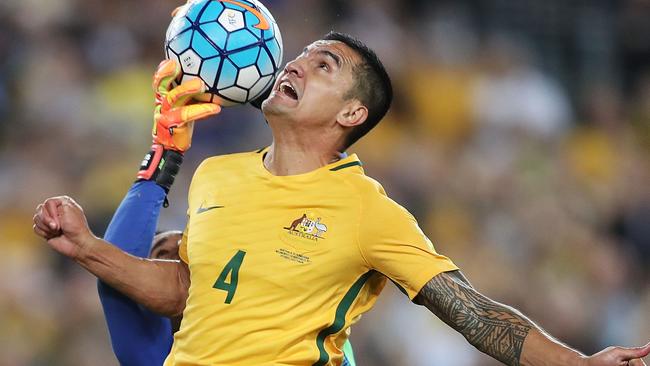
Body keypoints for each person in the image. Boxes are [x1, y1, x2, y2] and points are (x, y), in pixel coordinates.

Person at [33, 32, 649, 366]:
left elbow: (472, 312)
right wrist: (92, 244)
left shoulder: (367, 210)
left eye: (322, 64)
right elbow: (193, 297)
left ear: (353, 112)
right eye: (299, 55)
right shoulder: (218, 175)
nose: (294, 64)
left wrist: (578, 365)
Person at [93, 60, 356, 365]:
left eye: (183, 250)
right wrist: (164, 152)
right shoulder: (156, 356)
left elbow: (331, 182)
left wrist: (267, 97)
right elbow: (114, 273)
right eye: (158, 255)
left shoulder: (294, 323)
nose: (173, 254)